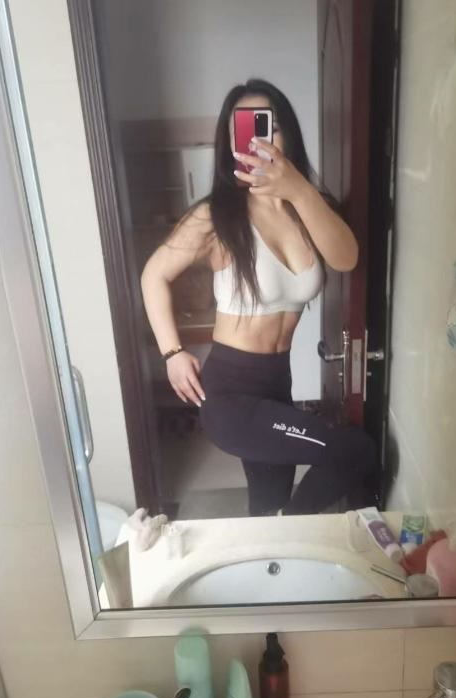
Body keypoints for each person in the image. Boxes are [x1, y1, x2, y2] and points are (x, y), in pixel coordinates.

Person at [141, 79, 375, 516]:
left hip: (277, 384)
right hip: (230, 394)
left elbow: (346, 259)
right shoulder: (217, 215)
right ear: (230, 143)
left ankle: (276, 537)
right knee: (355, 450)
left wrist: (298, 189)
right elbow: (154, 274)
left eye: (270, 127)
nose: (257, 141)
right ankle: (289, 527)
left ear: (288, 135)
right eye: (244, 131)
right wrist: (172, 353)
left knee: (267, 504)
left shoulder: (309, 207)